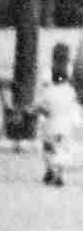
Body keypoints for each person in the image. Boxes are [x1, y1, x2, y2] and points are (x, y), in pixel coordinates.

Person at [38, 42, 79, 186]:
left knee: (49, 146)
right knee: (63, 148)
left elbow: (44, 101)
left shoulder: (47, 73)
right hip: (66, 121)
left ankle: (50, 170)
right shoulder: (70, 81)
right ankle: (59, 173)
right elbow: (73, 98)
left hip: (51, 121)